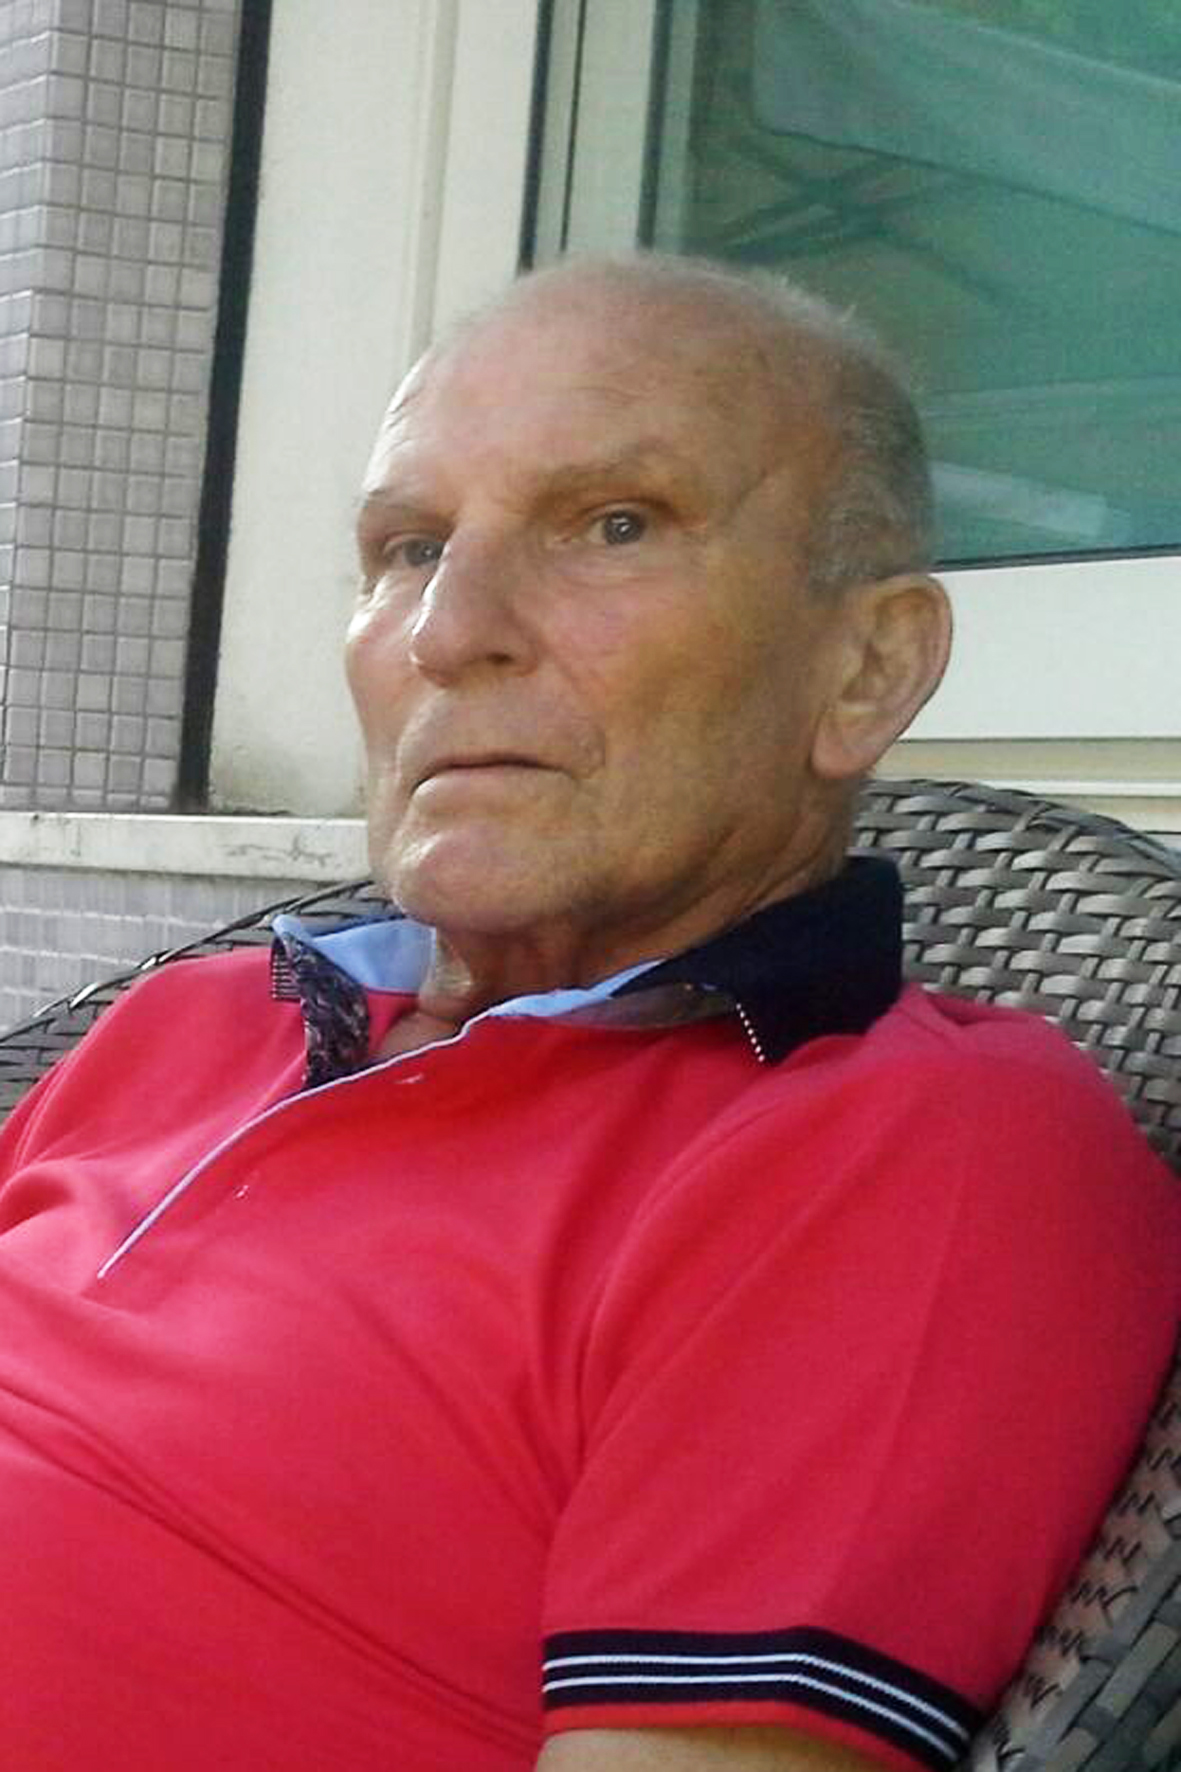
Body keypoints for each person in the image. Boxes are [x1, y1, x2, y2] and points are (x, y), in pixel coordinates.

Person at [0, 255, 1175, 1772]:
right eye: (409, 547)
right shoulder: (192, 1020)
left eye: (613, 523)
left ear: (865, 667)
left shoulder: (905, 1143)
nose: (448, 632)